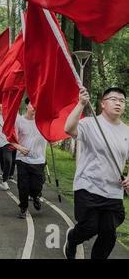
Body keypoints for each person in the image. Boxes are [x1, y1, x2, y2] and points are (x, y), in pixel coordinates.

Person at [63, 87, 129, 259]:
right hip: (88, 186)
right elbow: (69, 129)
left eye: (122, 101)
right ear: (103, 103)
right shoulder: (90, 124)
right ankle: (72, 238)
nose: (118, 103)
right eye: (114, 99)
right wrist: (80, 104)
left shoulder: (127, 131)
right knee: (89, 228)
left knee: (108, 234)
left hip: (114, 192)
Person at [11, 98, 48, 219]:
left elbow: (51, 135)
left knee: (36, 186)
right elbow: (11, 140)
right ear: (26, 106)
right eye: (32, 104)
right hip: (22, 160)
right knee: (23, 186)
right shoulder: (19, 121)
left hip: (39, 160)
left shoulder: (43, 121)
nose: (34, 107)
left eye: (37, 104)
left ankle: (36, 196)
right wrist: (19, 148)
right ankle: (23, 208)